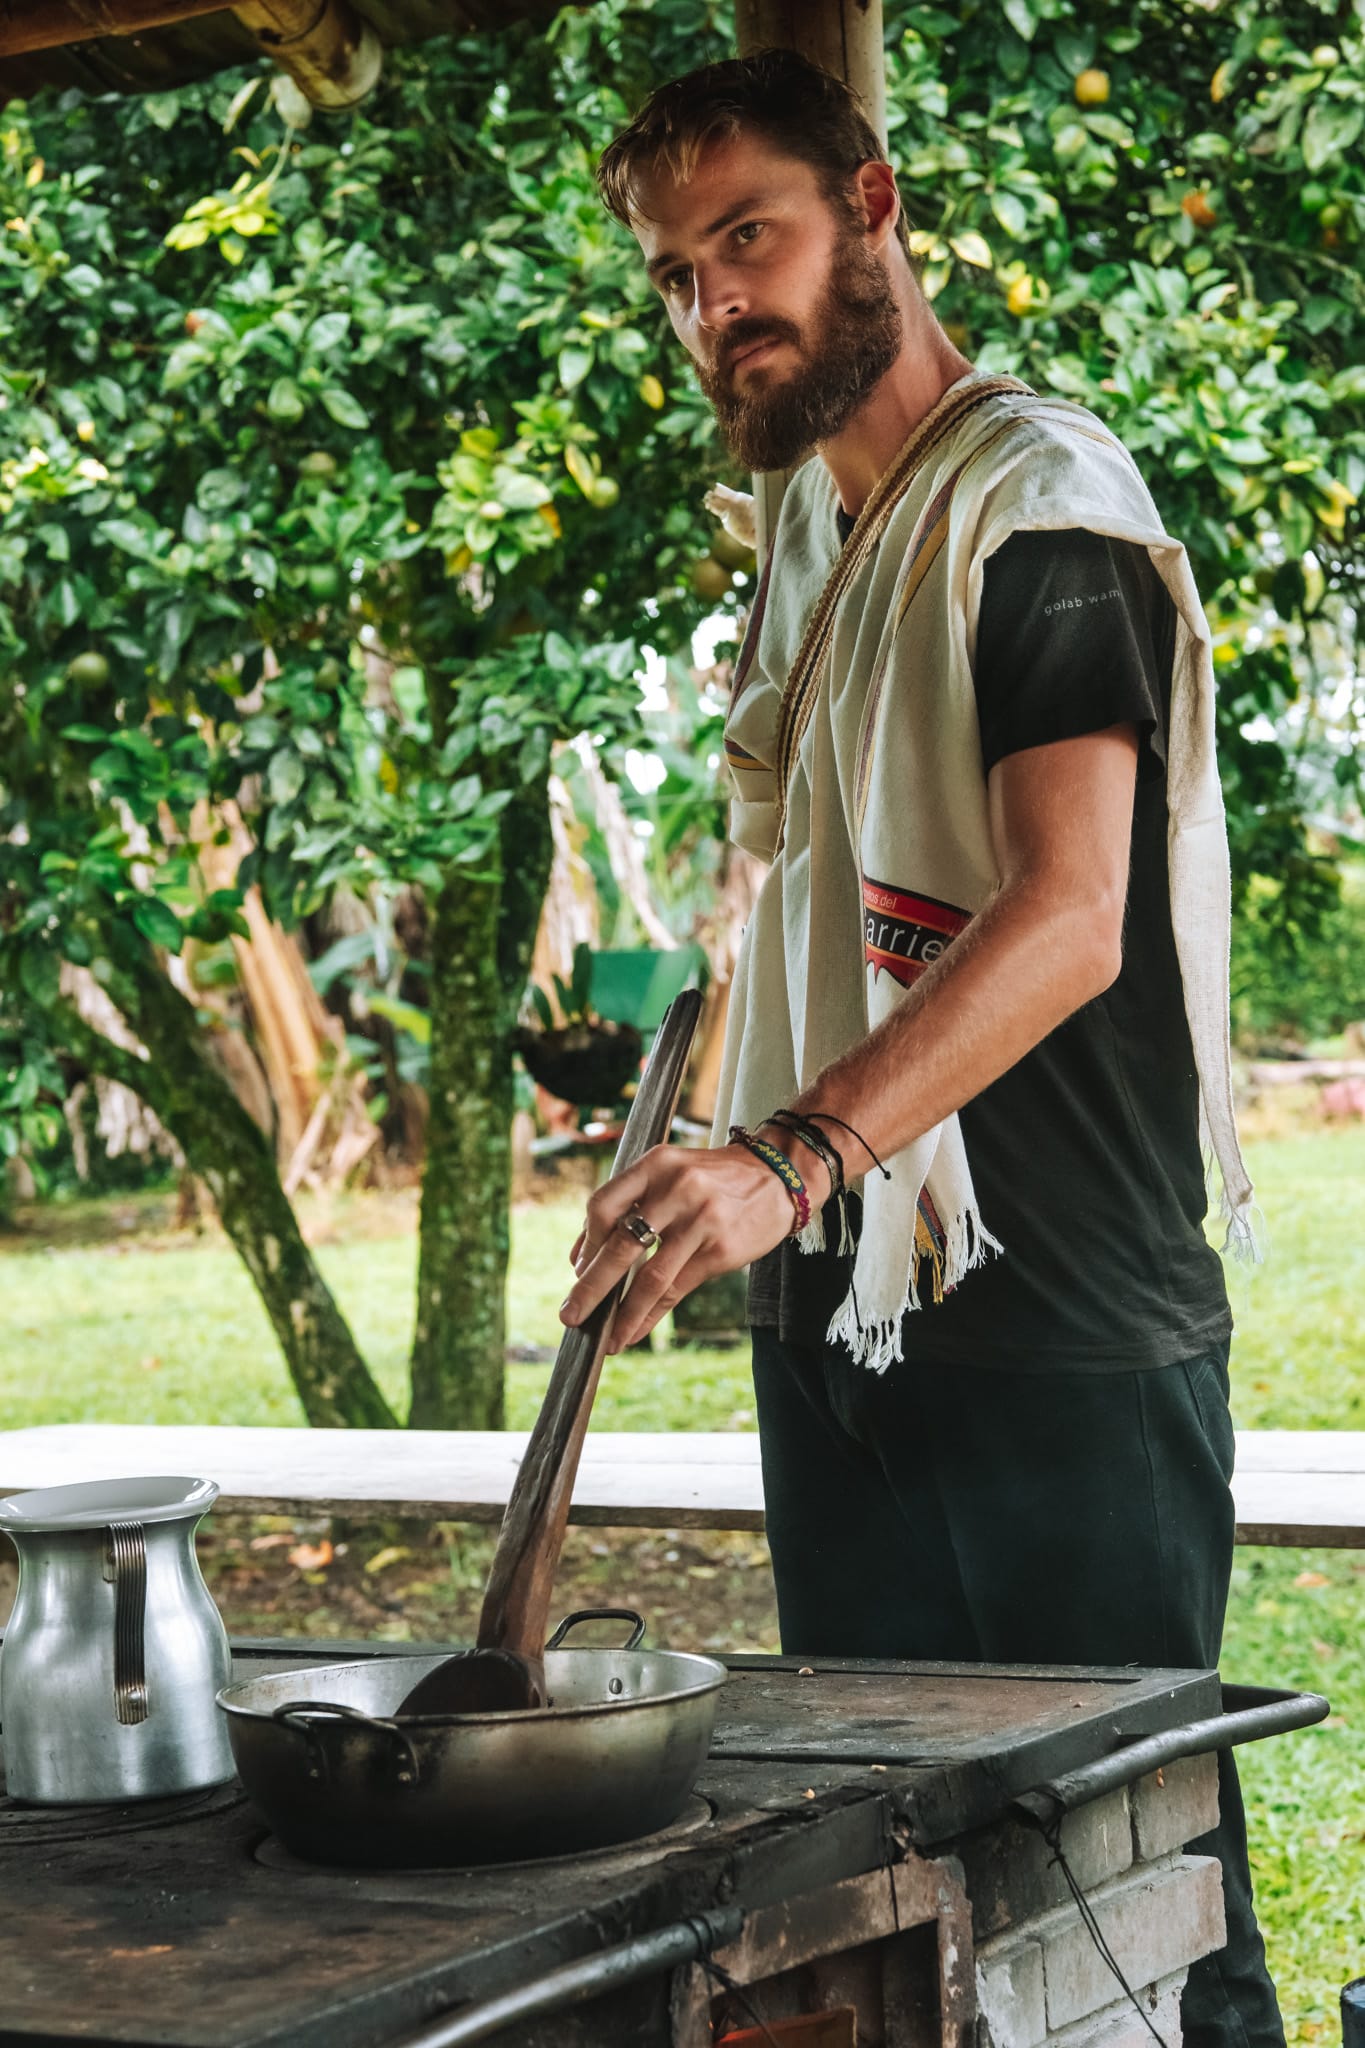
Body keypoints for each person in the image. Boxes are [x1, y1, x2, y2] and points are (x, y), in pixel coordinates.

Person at [560, 49, 1274, 2048]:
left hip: (1055, 1318)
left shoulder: (1037, 507)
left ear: (871, 206)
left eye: (746, 239)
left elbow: (1062, 914)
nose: (715, 306)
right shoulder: (809, 518)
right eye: (678, 275)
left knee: (1129, 1929)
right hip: (846, 1309)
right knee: (888, 1896)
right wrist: (709, 1154)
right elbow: (813, 883)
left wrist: (782, 1150)